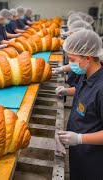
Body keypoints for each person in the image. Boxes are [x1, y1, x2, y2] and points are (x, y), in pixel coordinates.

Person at [57, 29, 103, 180]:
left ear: (88, 58)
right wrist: (66, 91)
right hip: (78, 153)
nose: (70, 64)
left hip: (93, 159)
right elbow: (82, 92)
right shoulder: (85, 74)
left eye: (72, 59)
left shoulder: (101, 89)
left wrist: (79, 139)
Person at [53, 20, 94, 92]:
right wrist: (62, 69)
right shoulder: (85, 62)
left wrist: (67, 91)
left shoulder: (93, 72)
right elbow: (81, 88)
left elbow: (86, 90)